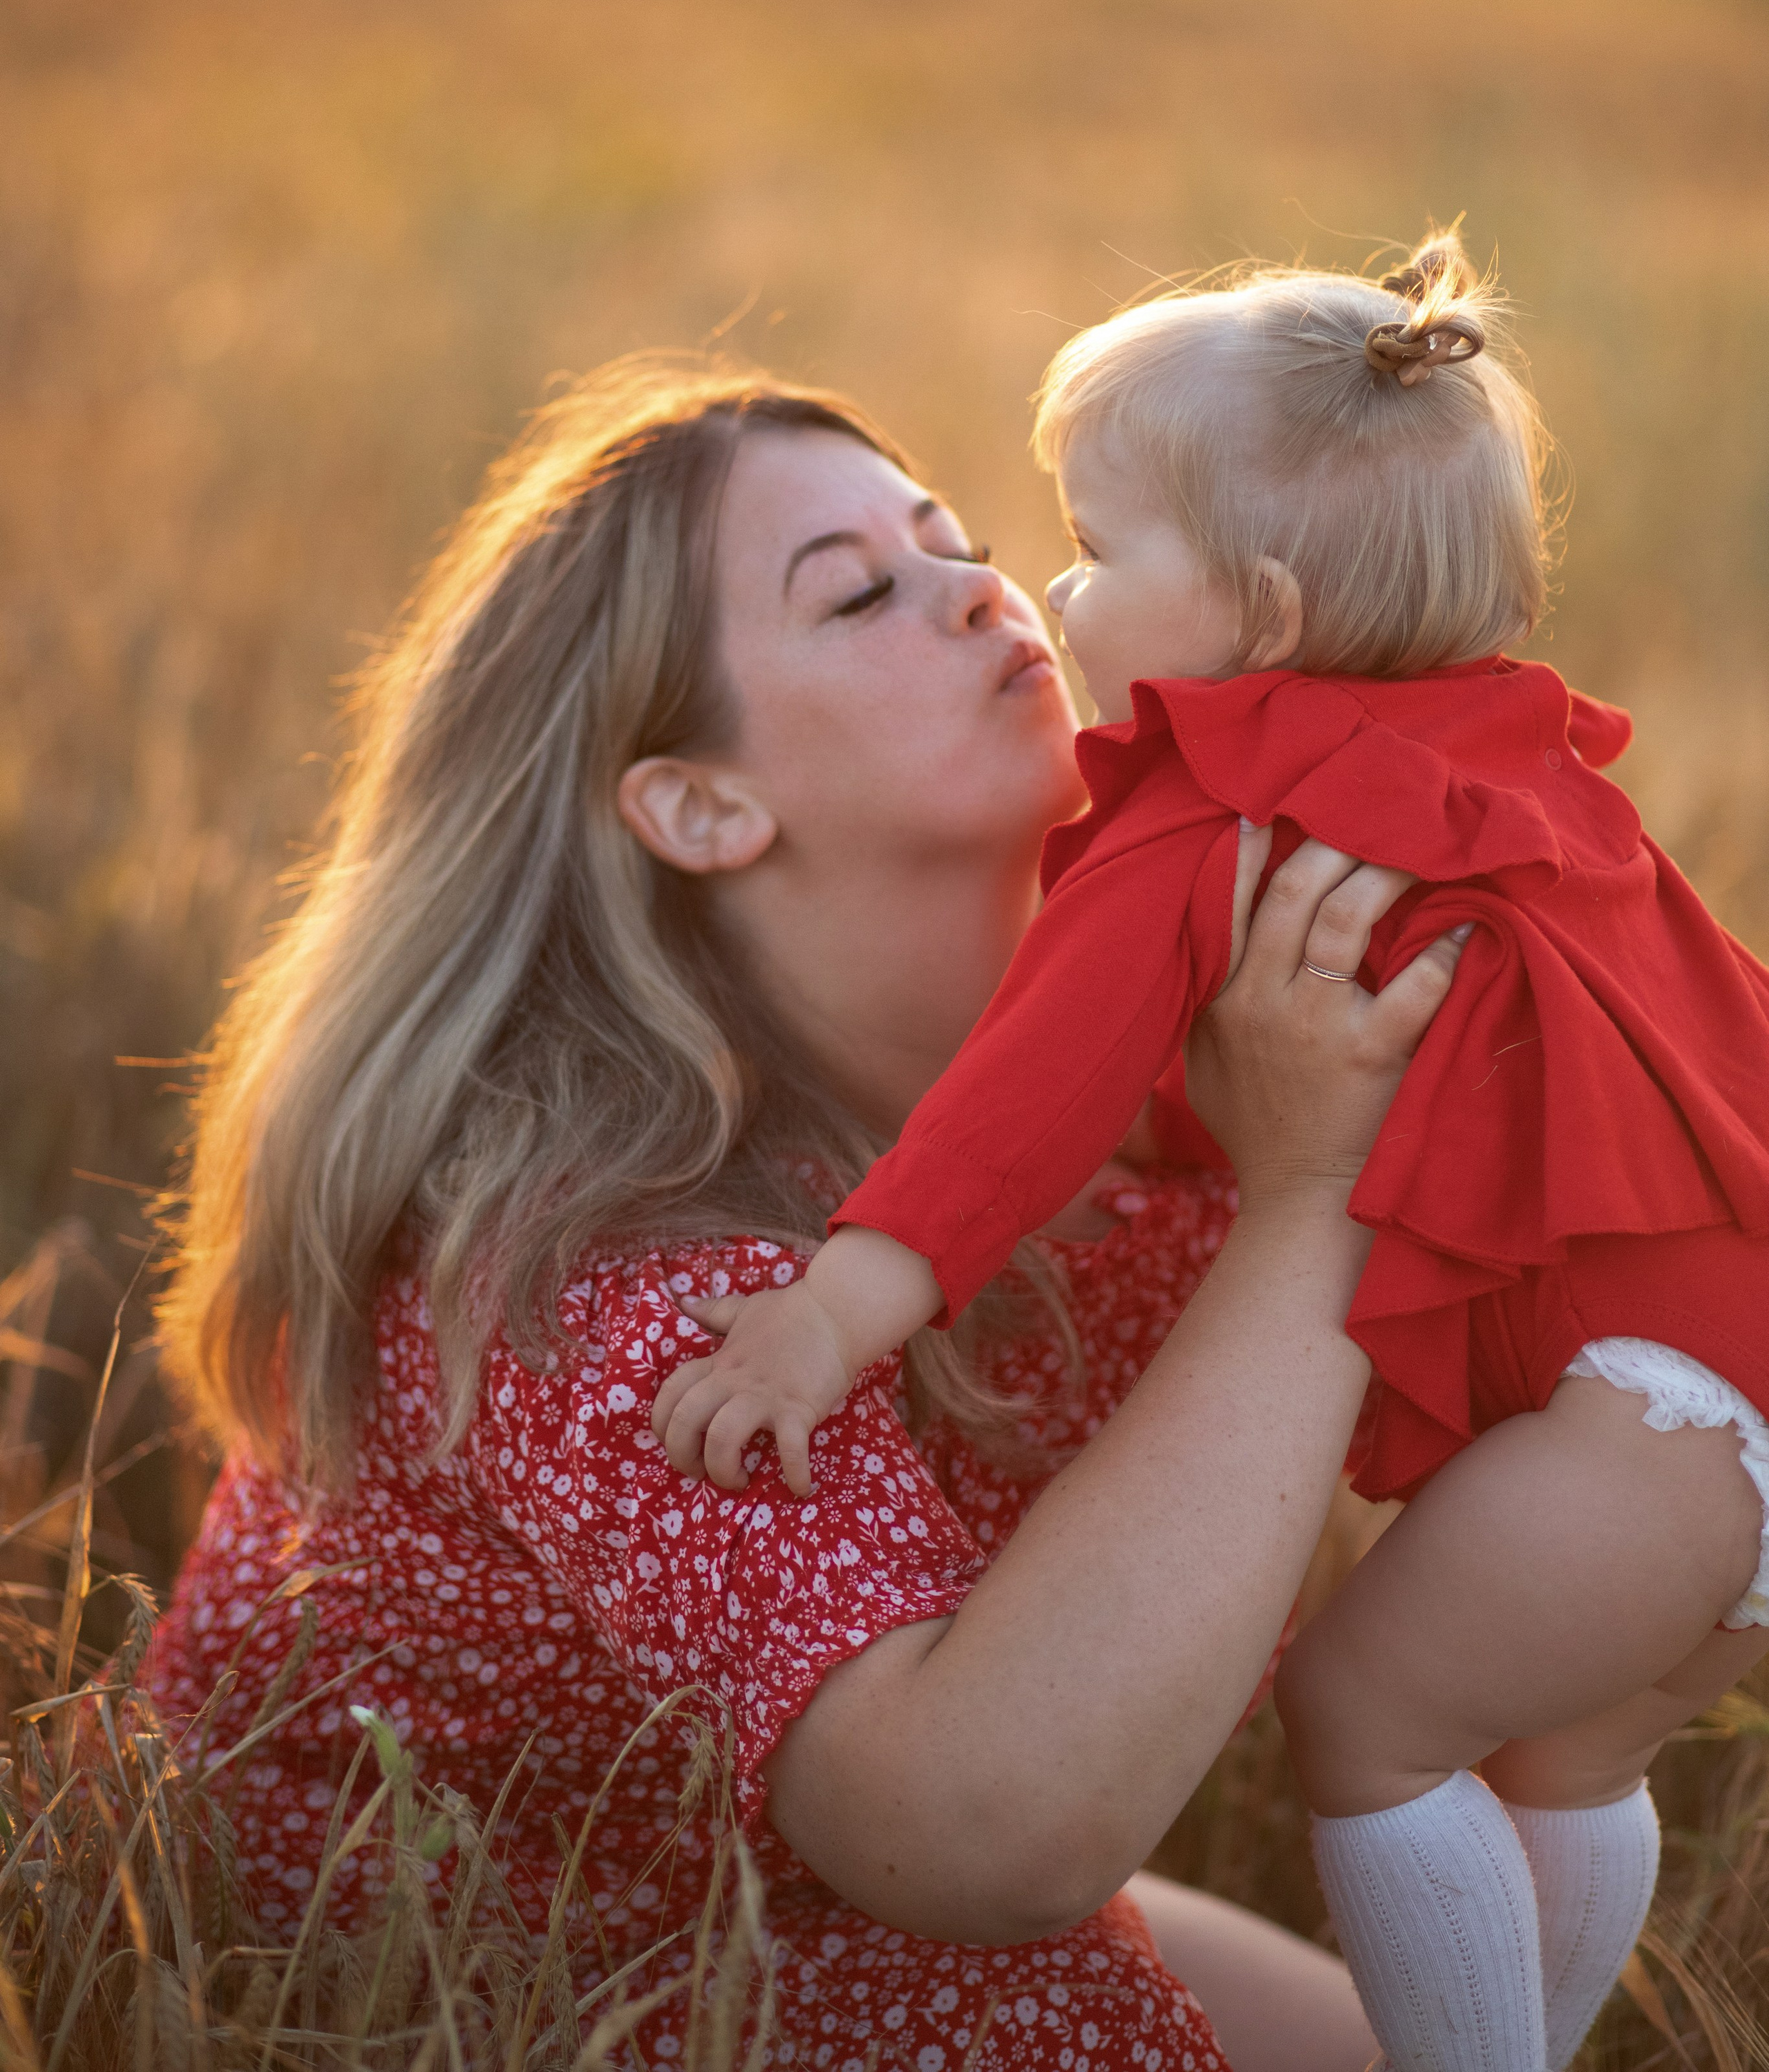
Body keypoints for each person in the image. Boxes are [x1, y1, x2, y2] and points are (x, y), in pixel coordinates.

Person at [150, 360, 1464, 2072]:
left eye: (958, 541)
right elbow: (984, 1834)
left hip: (791, 1906)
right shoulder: (601, 1267)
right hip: (474, 1992)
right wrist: (1308, 1203)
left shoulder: (1152, 1038)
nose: (982, 588)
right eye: (857, 594)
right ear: (698, 804)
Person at [655, 237, 1769, 2072]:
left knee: (1370, 1716)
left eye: (1090, 548)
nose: (1054, 589)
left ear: (1249, 613)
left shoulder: (1214, 816)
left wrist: (826, 1323)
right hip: (1711, 1369)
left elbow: (1015, 1112)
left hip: (1646, 1410)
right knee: (1562, 1745)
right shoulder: (1521, 757)